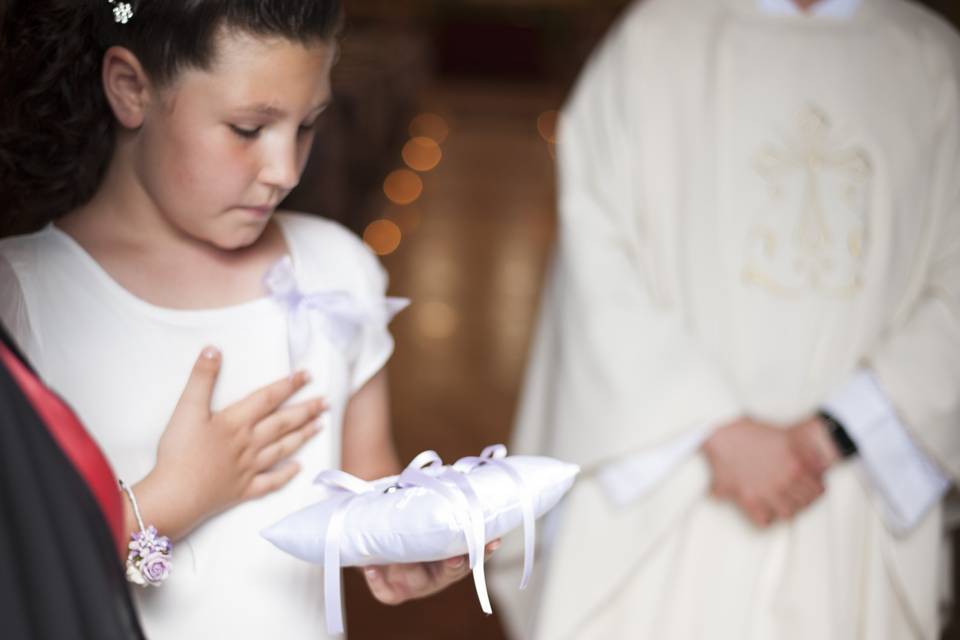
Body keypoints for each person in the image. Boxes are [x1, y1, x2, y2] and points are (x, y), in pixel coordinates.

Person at [0, 1, 477, 637]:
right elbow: (24, 577)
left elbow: (367, 486)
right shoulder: (25, 296)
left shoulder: (337, 266)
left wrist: (401, 544)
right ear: (130, 88)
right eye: (249, 129)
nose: (284, 171)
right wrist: (173, 499)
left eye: (307, 126)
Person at [491, 0, 960, 638]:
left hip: (854, 482)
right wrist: (714, 428)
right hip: (670, 485)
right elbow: (595, 247)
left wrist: (843, 429)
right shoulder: (653, 41)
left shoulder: (933, 57)